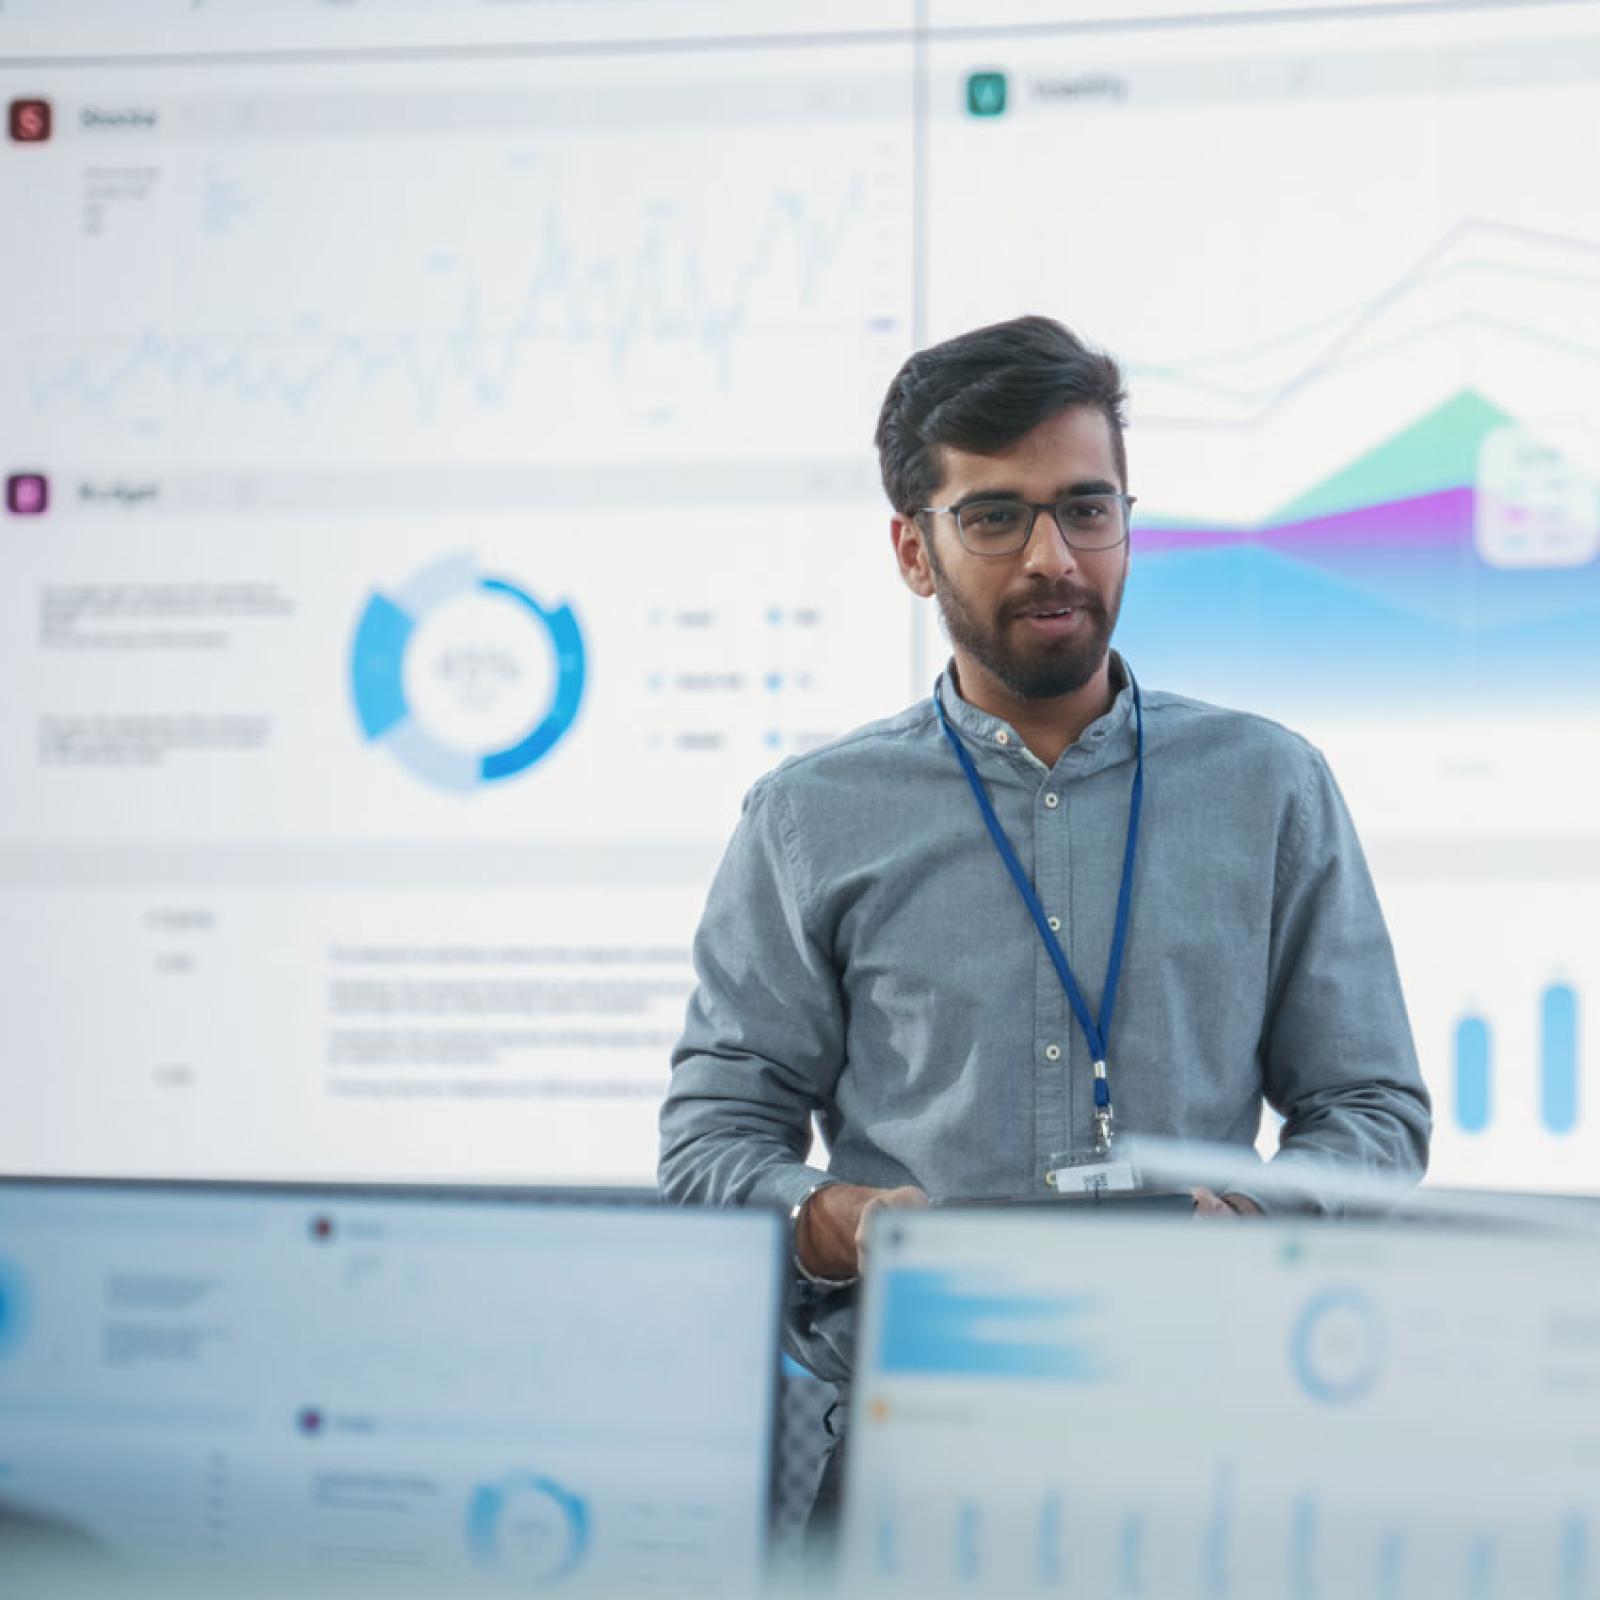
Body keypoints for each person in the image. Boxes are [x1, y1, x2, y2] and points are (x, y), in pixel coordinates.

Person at [658, 314, 1431, 1500]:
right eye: (993, 515)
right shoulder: (808, 817)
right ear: (913, 551)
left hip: (1204, 1427)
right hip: (914, 1436)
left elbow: (1370, 1105)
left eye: (1085, 507)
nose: (1053, 557)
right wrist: (835, 1220)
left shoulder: (1269, 784)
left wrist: (1254, 1212)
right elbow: (710, 1142)